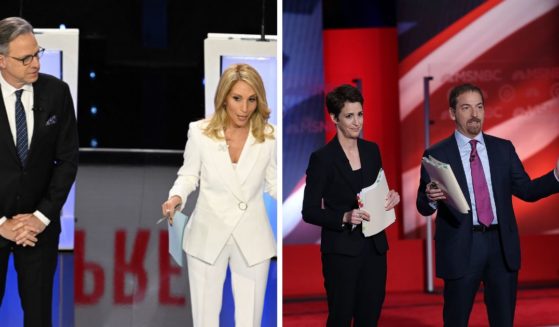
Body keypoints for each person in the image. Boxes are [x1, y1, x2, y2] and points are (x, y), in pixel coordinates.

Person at [416, 83, 559, 327]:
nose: (474, 114)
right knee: (456, 321)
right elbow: (423, 205)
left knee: (503, 321)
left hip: (500, 247)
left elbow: (527, 190)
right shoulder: (437, 153)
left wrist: (556, 175)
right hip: (462, 247)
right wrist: (431, 197)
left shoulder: (503, 149)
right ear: (452, 113)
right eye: (466, 107)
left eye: (479, 107)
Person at [161, 63, 276, 326]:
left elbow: (274, 183)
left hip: (252, 239)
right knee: (205, 320)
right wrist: (176, 197)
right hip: (207, 234)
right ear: (224, 97)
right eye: (237, 99)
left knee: (250, 321)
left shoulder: (270, 137)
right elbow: (188, 175)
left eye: (251, 99)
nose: (244, 109)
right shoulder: (200, 132)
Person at [0, 17, 78, 327]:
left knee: (39, 316)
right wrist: (2, 224)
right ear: (1, 60)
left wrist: (40, 217)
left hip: (39, 230)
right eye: (25, 58)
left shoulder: (57, 92)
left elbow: (67, 160)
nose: (36, 63)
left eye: (37, 53)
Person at [301, 84, 400, 326]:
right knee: (341, 317)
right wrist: (343, 217)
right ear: (334, 118)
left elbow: (378, 189)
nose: (357, 122)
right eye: (349, 116)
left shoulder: (372, 151)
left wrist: (391, 197)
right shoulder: (322, 158)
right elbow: (309, 211)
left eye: (360, 114)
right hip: (342, 252)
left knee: (370, 317)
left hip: (375, 249)